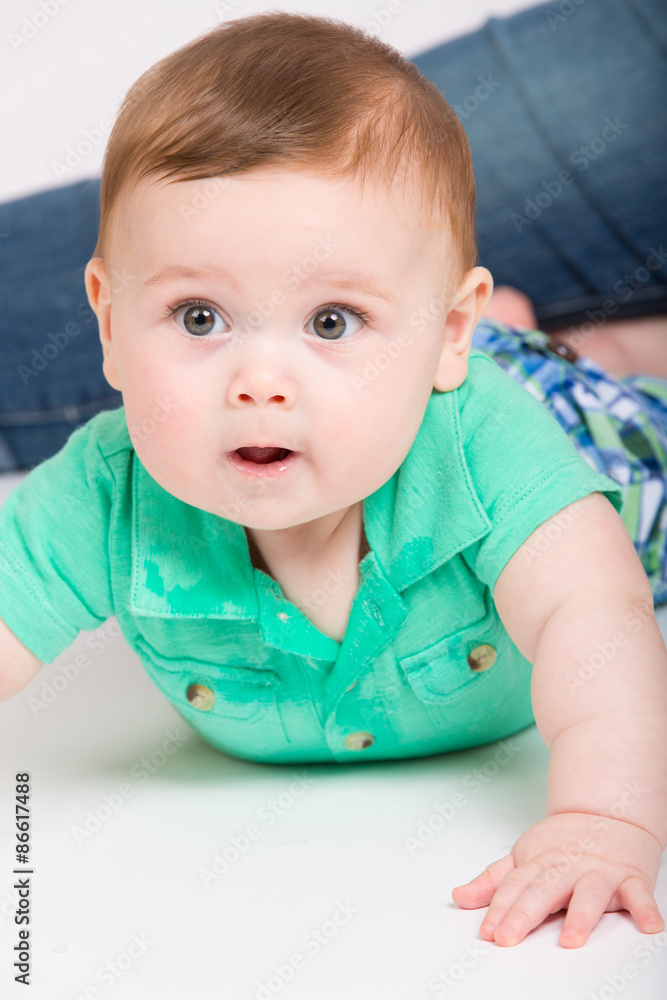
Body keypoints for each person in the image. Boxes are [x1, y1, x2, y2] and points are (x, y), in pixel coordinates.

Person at [1, 10, 666, 952]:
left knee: (623, 407)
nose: (259, 383)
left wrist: (605, 819)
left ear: (444, 334)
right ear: (106, 321)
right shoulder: (105, 490)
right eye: (198, 317)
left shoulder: (483, 447)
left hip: (592, 439)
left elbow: (595, 624)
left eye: (331, 322)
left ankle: (600, 347)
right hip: (443, 362)